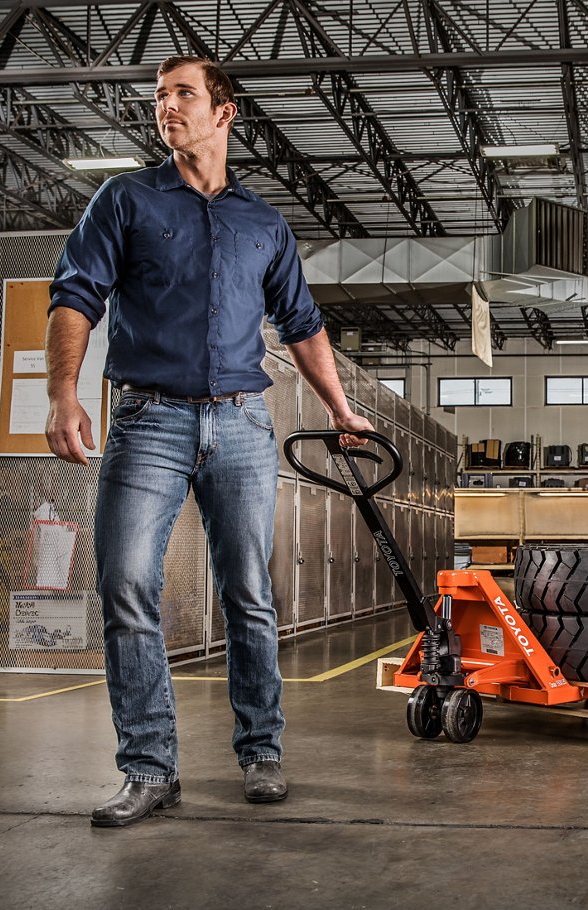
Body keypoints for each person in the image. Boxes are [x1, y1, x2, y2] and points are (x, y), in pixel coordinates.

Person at [44, 55, 372, 828]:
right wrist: (64, 389)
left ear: (225, 114)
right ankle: (151, 769)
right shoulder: (123, 199)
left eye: (183, 94)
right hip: (146, 420)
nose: (167, 107)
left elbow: (302, 324)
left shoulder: (263, 223)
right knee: (126, 586)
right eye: (160, 97)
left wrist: (341, 407)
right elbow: (75, 294)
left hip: (242, 425)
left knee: (249, 595)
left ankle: (261, 752)